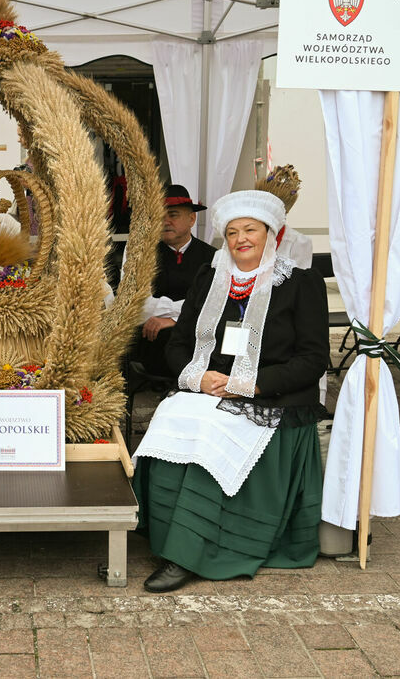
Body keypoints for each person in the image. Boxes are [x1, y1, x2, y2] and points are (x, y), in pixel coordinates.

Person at [132, 189, 328, 593]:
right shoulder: (211, 278)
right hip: (212, 387)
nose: (241, 239)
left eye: (250, 230)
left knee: (210, 432)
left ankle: (186, 553)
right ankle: (165, 532)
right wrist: (197, 377)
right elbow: (179, 342)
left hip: (270, 396)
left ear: (271, 233)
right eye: (233, 231)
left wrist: (253, 384)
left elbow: (313, 359)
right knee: (172, 415)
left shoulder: (300, 283)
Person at [124, 184, 216, 379]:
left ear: (192, 219)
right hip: (151, 338)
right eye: (160, 215)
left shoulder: (213, 257)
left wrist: (172, 319)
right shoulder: (140, 255)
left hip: (197, 338)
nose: (165, 221)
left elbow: (213, 305)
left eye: (173, 215)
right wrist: (187, 310)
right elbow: (136, 305)